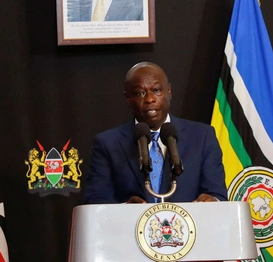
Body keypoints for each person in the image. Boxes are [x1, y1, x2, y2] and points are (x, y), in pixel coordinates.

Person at [83, 62, 227, 204]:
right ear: (128, 99)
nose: (150, 99)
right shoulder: (107, 144)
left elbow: (217, 194)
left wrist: (211, 201)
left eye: (157, 90)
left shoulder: (202, 136)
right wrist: (124, 210)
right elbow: (97, 201)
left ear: (168, 91)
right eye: (140, 93)